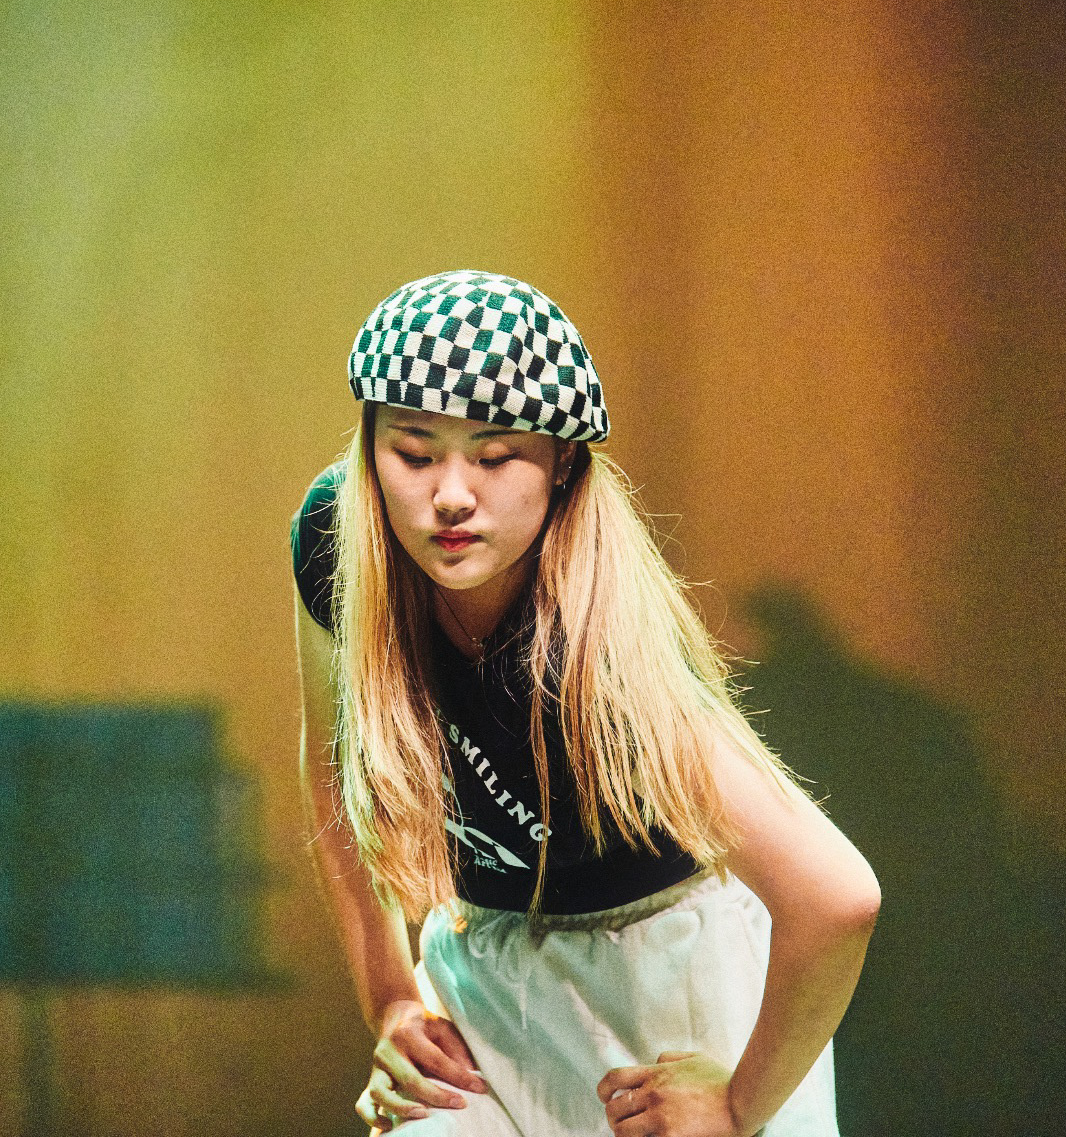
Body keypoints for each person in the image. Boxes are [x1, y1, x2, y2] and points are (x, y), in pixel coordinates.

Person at [290, 270, 880, 1137]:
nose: (451, 494)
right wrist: (391, 999)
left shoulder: (596, 654)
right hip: (486, 964)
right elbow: (334, 765)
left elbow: (836, 898)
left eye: (495, 456)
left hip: (672, 989)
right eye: (413, 453)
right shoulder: (337, 536)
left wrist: (737, 1104)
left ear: (564, 462)